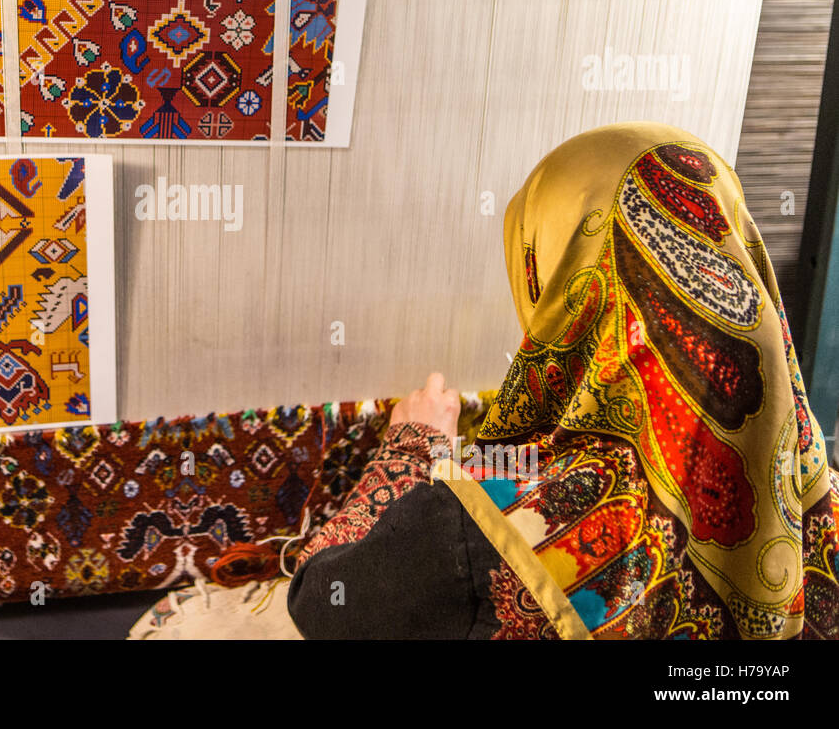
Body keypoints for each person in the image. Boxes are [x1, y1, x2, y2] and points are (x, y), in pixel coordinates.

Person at [287, 122, 839, 639]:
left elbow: (322, 601)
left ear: (566, 286)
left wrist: (411, 448)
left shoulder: (502, 524)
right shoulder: (818, 490)